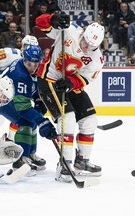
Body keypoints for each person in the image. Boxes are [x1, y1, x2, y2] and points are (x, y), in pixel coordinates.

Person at [35, 13, 104, 182]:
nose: (87, 47)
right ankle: (64, 164)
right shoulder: (68, 31)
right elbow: (39, 23)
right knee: (68, 118)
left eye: (91, 46)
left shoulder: (97, 59)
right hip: (48, 79)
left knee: (90, 119)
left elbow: (85, 78)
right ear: (84, 33)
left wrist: (72, 82)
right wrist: (52, 18)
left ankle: (82, 161)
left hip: (68, 84)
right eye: (86, 42)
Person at [0, 45, 57, 174]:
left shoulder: (33, 69)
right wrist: (42, 121)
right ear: (24, 60)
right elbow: (23, 109)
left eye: (35, 64)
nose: (32, 67)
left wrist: (38, 100)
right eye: (28, 63)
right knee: (25, 121)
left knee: (31, 120)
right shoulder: (20, 74)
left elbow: (34, 86)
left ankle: (30, 153)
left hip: (10, 94)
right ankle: (20, 160)